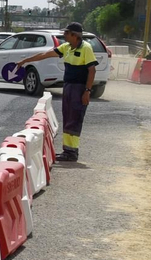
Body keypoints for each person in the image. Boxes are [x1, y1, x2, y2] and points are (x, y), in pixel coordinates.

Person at [15, 22, 97, 162]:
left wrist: (87, 91)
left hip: (79, 88)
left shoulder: (86, 48)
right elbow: (45, 54)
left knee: (75, 118)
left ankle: (72, 152)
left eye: (66, 33)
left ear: (74, 35)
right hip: (68, 86)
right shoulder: (66, 47)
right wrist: (25, 61)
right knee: (67, 116)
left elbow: (92, 70)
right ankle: (68, 150)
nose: (64, 36)